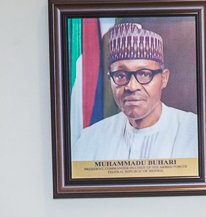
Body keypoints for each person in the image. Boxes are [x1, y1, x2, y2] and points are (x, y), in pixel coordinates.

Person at [72, 22, 198, 161]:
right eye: (120, 75)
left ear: (164, 78)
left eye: (144, 74)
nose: (131, 86)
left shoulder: (195, 133)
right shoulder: (91, 140)